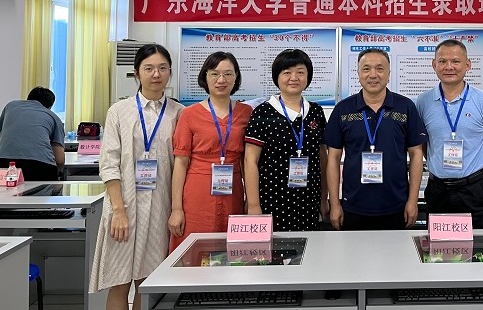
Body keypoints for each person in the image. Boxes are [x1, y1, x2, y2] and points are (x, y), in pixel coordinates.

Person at [89, 44, 185, 310]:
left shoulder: (179, 113)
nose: (156, 74)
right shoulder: (119, 111)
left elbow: (181, 164)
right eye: (149, 68)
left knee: (148, 282)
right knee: (119, 282)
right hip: (124, 206)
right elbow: (109, 163)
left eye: (163, 68)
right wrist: (118, 210)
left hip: (160, 208)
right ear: (136, 73)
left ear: (170, 72)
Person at [324, 48, 425, 231]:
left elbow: (416, 153)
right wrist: (335, 204)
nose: (373, 75)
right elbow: (333, 158)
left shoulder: (405, 107)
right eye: (366, 69)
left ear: (389, 74)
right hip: (353, 206)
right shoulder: (343, 110)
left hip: (397, 206)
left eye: (379, 69)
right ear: (358, 73)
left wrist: (413, 200)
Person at [167, 52, 252, 251]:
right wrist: (176, 209)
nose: (221, 80)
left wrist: (250, 200)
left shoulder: (247, 113)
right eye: (214, 74)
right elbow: (180, 163)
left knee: (233, 252)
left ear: (236, 77)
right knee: (194, 252)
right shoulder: (189, 114)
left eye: (228, 74)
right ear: (205, 76)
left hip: (233, 192)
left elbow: (247, 161)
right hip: (197, 193)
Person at [415, 39, 483, 229]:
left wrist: (477, 172)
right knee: (439, 246)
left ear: (467, 65)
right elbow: (422, 143)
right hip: (438, 190)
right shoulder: (423, 102)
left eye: (455, 61)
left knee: (480, 245)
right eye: (442, 61)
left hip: (476, 190)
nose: (449, 67)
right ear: (434, 65)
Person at [244, 49, 328, 231]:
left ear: (308, 76)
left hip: (309, 200)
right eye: (287, 72)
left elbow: (322, 157)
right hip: (272, 199)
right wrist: (253, 205)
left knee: (311, 246)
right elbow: (250, 161)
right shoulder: (262, 112)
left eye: (300, 72)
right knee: (272, 248)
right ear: (277, 76)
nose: (294, 78)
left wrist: (324, 198)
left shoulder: (316, 111)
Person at [0, 87, 65, 181]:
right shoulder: (54, 117)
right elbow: (59, 159)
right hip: (40, 165)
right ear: (50, 106)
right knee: (45, 189)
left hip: (5, 163)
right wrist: (59, 174)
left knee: (7, 189)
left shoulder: (10, 106)